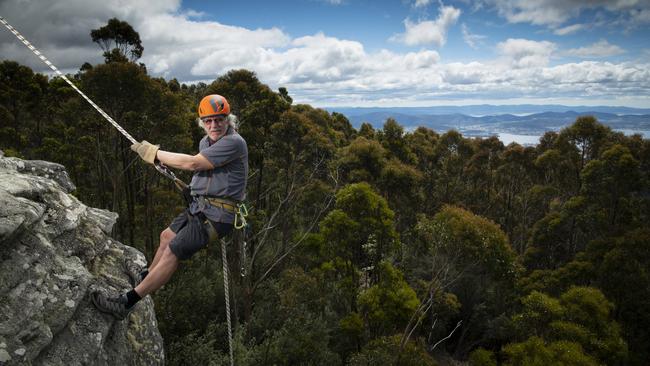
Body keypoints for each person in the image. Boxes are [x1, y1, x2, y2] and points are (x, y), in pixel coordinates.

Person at [91, 94, 248, 319]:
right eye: (208, 121)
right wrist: (192, 187)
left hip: (218, 216)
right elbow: (205, 171)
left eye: (219, 120)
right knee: (166, 236)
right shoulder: (207, 142)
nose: (214, 125)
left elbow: (192, 163)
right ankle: (147, 278)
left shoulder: (235, 142)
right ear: (202, 122)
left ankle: (126, 303)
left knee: (174, 250)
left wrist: (152, 153)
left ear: (228, 120)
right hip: (200, 206)